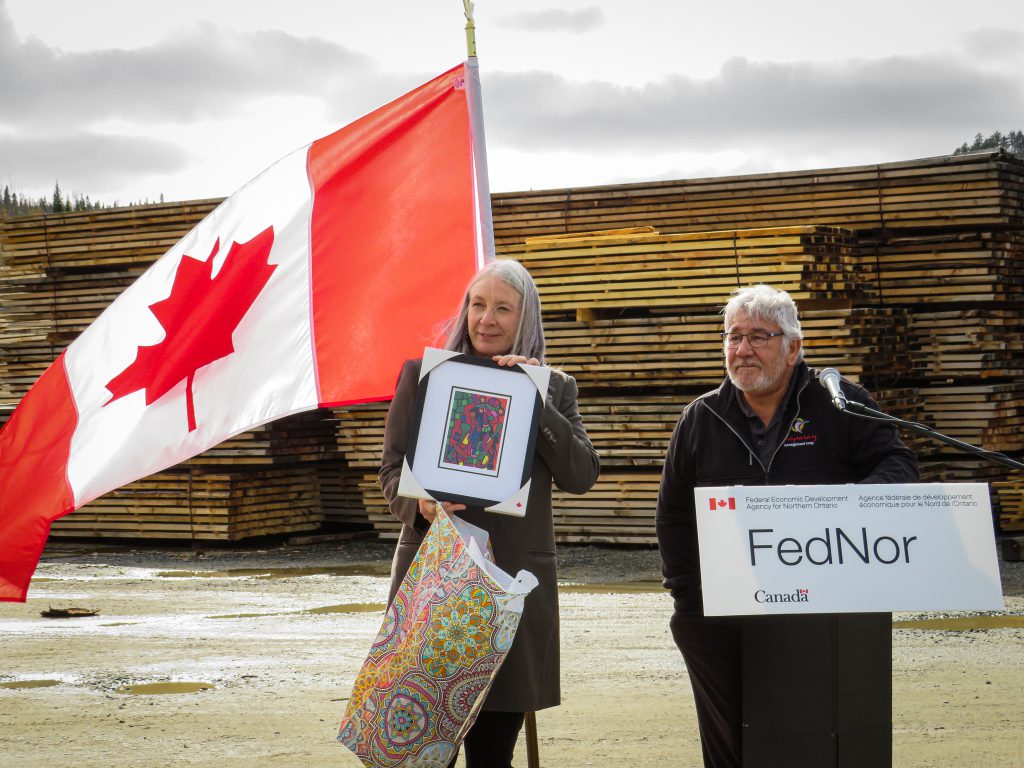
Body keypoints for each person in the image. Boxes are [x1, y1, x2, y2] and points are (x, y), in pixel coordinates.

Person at [655, 284, 918, 768]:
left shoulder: (839, 403)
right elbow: (673, 515)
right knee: (731, 744)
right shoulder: (701, 418)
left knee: (809, 738)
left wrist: (852, 506)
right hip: (720, 615)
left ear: (794, 348)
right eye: (733, 338)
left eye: (759, 337)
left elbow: (898, 465)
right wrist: (689, 598)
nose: (742, 350)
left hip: (819, 612)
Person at [379, 258, 600, 768]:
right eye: (478, 304)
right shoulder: (423, 376)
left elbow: (582, 475)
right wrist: (420, 507)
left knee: (493, 748)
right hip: (433, 579)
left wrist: (534, 396)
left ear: (526, 319)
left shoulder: (556, 387)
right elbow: (391, 469)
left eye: (503, 308)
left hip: (510, 585)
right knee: (421, 747)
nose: (487, 319)